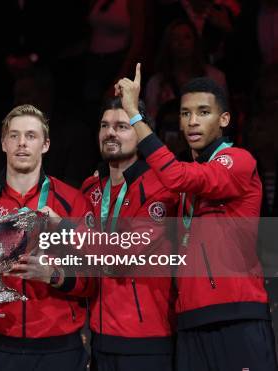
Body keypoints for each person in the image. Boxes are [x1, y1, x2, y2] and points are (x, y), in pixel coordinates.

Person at [116, 64, 278, 370]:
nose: (192, 122)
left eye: (204, 112)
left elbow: (177, 176)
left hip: (237, 316)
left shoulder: (238, 161)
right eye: (186, 113)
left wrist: (134, 115)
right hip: (189, 319)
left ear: (224, 119)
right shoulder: (181, 179)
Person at [0, 104, 93, 371]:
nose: (22, 143)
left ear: (45, 144)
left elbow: (94, 277)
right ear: (3, 143)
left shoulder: (72, 202)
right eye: (14, 136)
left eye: (31, 136)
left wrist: (53, 275)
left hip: (59, 349)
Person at [79, 97, 179, 370]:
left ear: (141, 132)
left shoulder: (159, 188)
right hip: (99, 337)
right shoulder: (90, 188)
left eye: (121, 126)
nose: (110, 132)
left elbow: (121, 254)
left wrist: (67, 229)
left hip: (146, 340)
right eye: (104, 125)